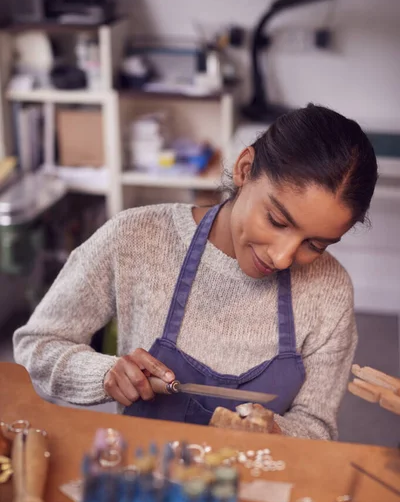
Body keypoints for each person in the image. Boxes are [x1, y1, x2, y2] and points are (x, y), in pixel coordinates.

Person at [13, 104, 378, 440]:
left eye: (315, 245)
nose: (283, 257)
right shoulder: (136, 239)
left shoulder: (329, 290)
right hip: (141, 480)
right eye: (277, 220)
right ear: (245, 169)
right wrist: (104, 373)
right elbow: (36, 348)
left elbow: (316, 426)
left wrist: (277, 433)